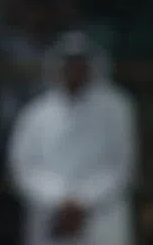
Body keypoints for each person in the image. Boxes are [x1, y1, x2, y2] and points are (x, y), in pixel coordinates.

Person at [8, 30, 138, 245]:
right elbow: (23, 167)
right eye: (68, 63)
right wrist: (59, 200)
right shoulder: (36, 112)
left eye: (80, 63)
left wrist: (84, 200)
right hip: (50, 215)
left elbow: (121, 164)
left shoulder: (117, 107)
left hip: (102, 215)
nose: (74, 69)